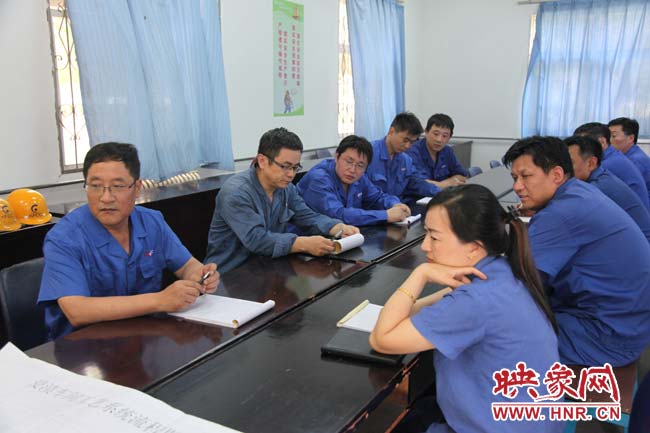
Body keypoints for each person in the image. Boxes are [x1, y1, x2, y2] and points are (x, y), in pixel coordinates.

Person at [370, 184, 561, 433]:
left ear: (473, 246)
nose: (425, 246)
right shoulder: (500, 270)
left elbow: (382, 339)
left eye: (434, 237)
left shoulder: (475, 301)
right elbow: (415, 312)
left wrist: (420, 274)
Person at [38, 143, 220, 340]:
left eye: (117, 186)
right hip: (83, 347)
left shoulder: (151, 222)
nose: (106, 198)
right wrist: (160, 300)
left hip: (143, 338)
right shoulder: (64, 238)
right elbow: (77, 311)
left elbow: (187, 265)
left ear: (137, 188)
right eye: (95, 186)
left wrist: (199, 275)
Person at [503, 136, 650, 367]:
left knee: (497, 332)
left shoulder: (561, 214)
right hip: (629, 322)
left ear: (557, 175)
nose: (517, 187)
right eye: (514, 178)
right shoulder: (579, 192)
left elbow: (514, 284)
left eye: (526, 176)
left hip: (606, 336)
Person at [205, 127, 358, 273]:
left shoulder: (286, 188)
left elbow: (307, 216)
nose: (291, 174)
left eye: (295, 167)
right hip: (230, 276)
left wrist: (337, 227)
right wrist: (302, 243)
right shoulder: (236, 193)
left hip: (269, 268)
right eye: (285, 166)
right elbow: (256, 239)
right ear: (262, 161)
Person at [297, 135, 411, 226]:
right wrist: (386, 215)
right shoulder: (319, 178)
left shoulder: (360, 178)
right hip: (306, 239)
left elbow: (377, 197)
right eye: (349, 162)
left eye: (360, 165)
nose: (352, 170)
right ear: (337, 157)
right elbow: (338, 215)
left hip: (343, 236)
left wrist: (395, 204)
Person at [565, 135, 650, 242]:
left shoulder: (598, 187)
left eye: (569, 163)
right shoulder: (601, 175)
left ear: (591, 163)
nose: (564, 169)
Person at [366, 112, 441, 202]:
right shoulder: (368, 153)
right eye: (405, 140)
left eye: (412, 142)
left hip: (398, 207)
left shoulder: (406, 160)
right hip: (375, 209)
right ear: (391, 131)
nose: (407, 146)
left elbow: (417, 183)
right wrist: (393, 204)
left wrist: (442, 193)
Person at [574, 122, 649, 209]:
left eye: (583, 145)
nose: (579, 151)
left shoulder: (608, 165)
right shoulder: (614, 156)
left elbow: (581, 192)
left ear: (602, 142)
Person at [406, 113, 469, 188]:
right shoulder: (413, 151)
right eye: (436, 134)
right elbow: (416, 181)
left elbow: (462, 175)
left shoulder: (448, 151)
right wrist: (443, 185)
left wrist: (445, 183)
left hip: (443, 193)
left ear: (449, 137)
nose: (439, 140)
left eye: (445, 136)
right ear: (426, 132)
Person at [608, 117, 650, 203]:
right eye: (607, 136)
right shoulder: (624, 156)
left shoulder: (635, 161)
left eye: (613, 136)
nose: (608, 140)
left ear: (631, 138)